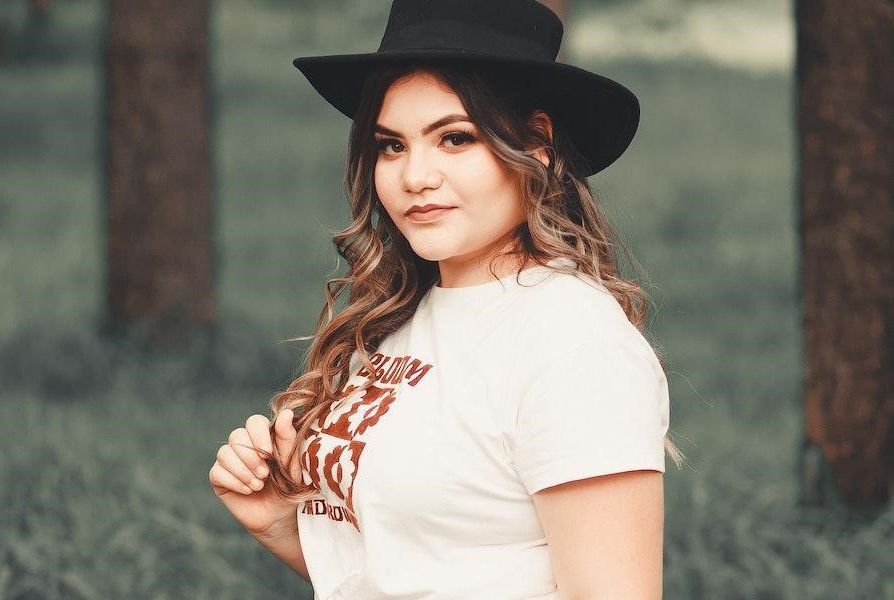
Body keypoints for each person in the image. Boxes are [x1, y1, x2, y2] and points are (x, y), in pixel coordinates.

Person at [209, 1, 684, 598]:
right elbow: (422, 571)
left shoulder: (571, 342)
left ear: (536, 144)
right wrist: (281, 524)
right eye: (392, 145)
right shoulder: (399, 317)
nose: (415, 177)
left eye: (454, 139)